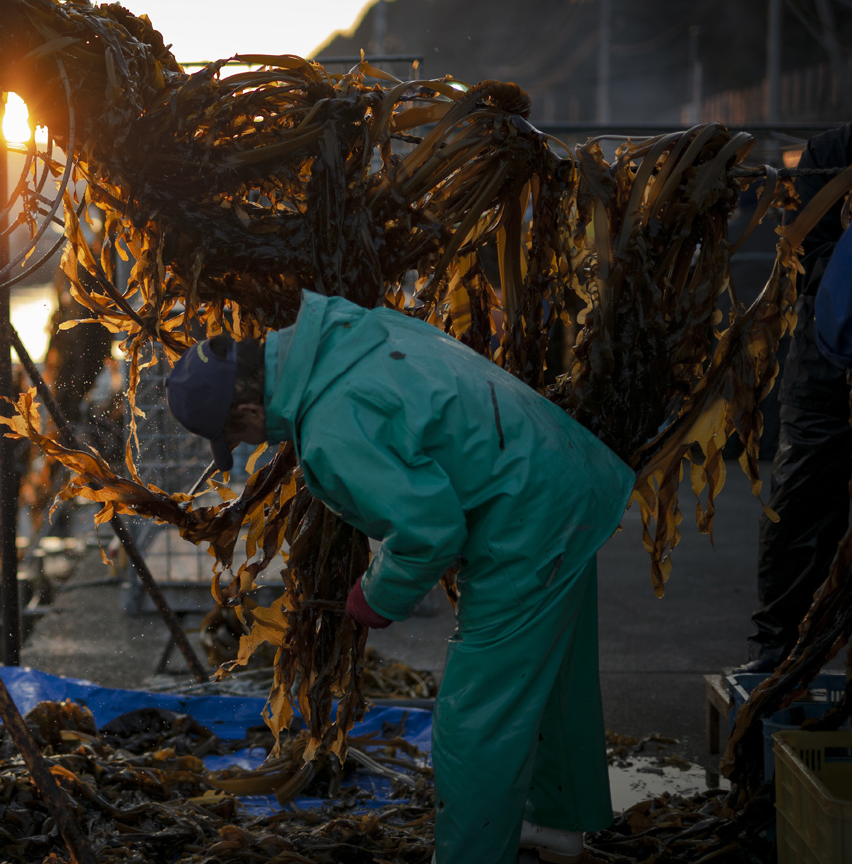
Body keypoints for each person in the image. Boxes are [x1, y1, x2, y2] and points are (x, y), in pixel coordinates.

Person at [166, 290, 634, 864]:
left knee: (476, 713)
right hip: (564, 471)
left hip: (526, 521)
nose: (249, 445)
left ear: (244, 413)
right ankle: (557, 824)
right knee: (554, 678)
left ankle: (469, 854)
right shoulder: (345, 335)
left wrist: (376, 596)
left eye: (238, 439)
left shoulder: (331, 429)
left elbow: (430, 530)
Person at [741, 124, 852, 673]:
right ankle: (778, 650)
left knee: (803, 486)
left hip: (824, 347)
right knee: (804, 491)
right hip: (828, 349)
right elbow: (808, 253)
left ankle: (778, 647)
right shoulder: (832, 153)